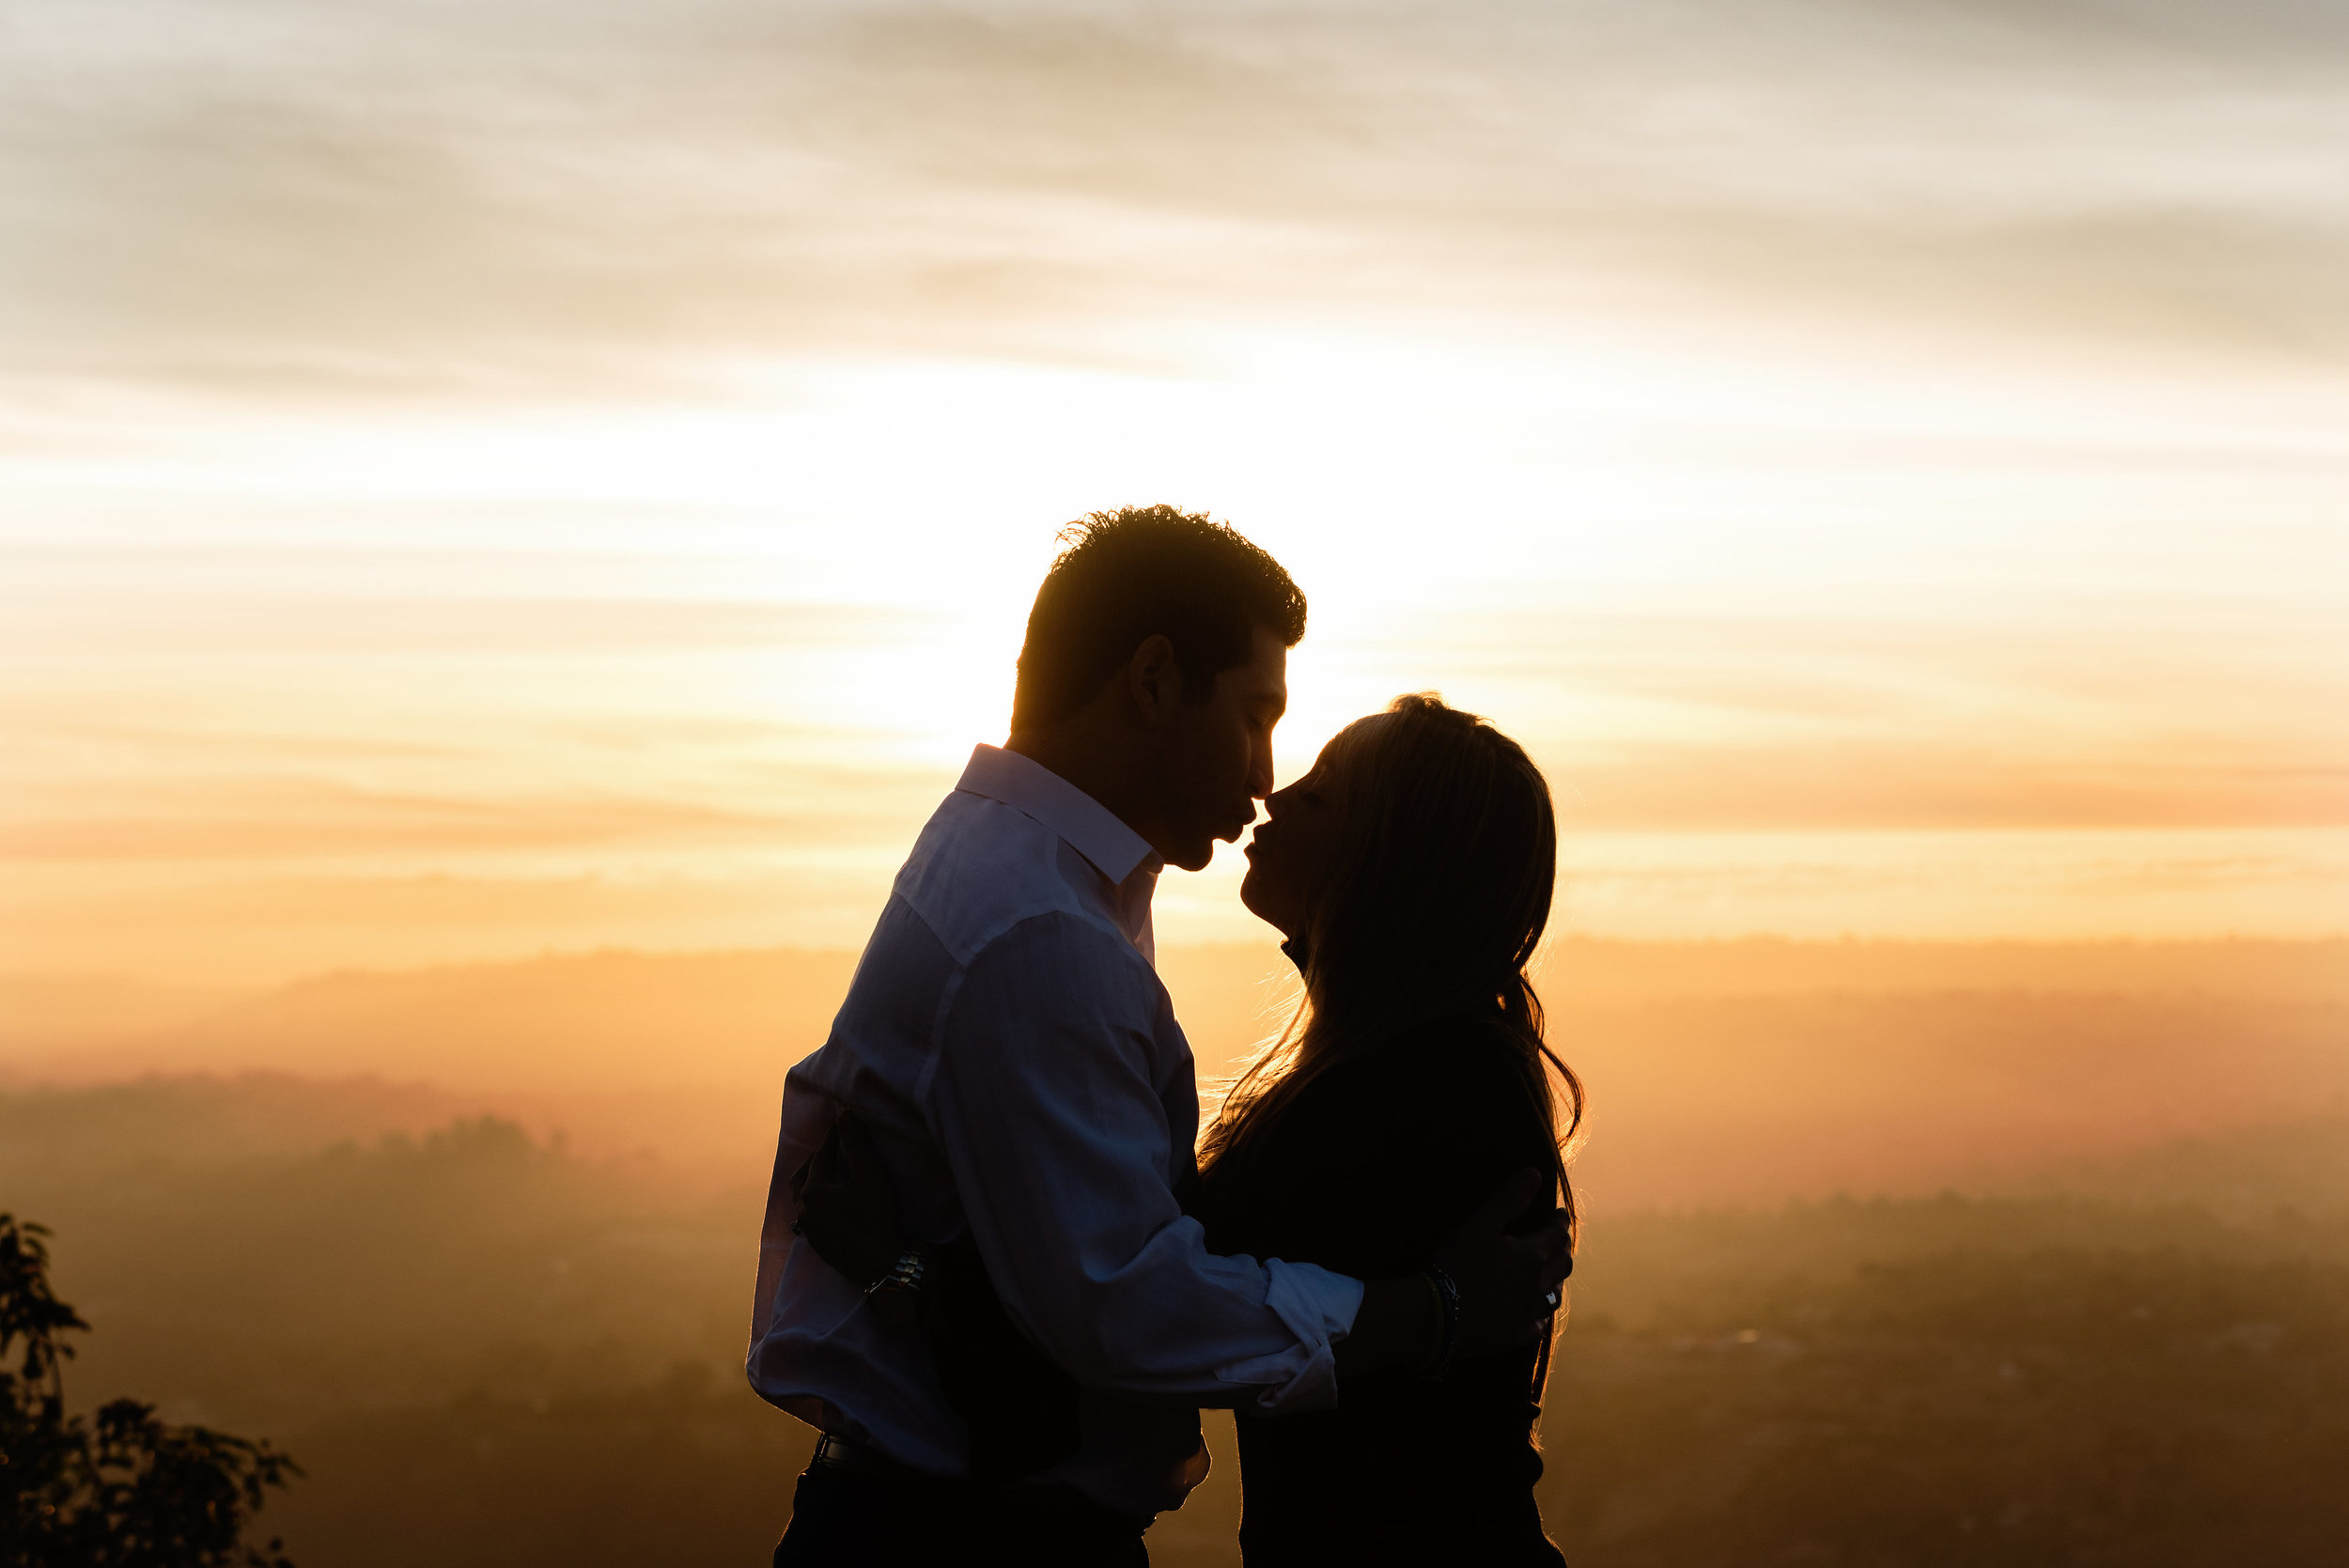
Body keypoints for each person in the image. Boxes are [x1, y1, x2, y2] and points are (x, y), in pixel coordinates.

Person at [751, 505, 1572, 1567]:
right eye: (1256, 716)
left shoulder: (1045, 888)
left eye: (1317, 782)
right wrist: (1433, 1312)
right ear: (1152, 682)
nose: (1268, 777)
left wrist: (909, 1271)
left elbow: (1123, 1285)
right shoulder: (1043, 929)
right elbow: (1124, 1308)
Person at [1191, 693, 1579, 1565]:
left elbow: (1159, 1288)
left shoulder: (1425, 1088)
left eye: (1320, 796)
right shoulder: (1435, 1062)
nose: (1273, 797)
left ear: (1388, 864)